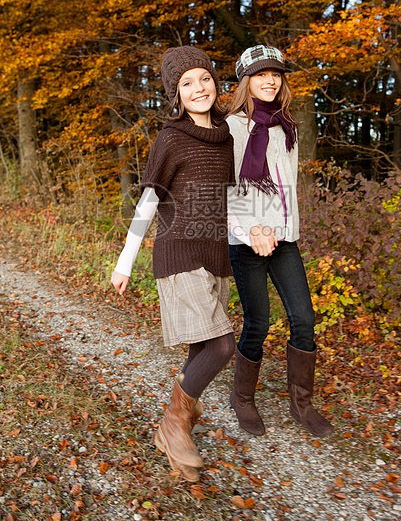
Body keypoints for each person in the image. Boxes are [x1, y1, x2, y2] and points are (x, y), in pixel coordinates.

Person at [111, 46, 236, 482]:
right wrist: (125, 262)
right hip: (179, 253)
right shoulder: (171, 137)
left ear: (215, 83)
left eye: (204, 78)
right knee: (222, 346)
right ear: (175, 94)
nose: (198, 88)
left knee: (201, 347)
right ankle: (174, 422)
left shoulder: (226, 137)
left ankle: (173, 434)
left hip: (216, 255)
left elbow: (227, 199)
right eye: (187, 83)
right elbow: (148, 203)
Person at [227, 44, 334, 438]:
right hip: (246, 242)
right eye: (260, 74)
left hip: (285, 240)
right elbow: (224, 190)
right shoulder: (233, 128)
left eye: (275, 74)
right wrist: (252, 229)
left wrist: (282, 229)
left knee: (304, 318)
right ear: (246, 81)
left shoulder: (288, 127)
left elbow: (285, 188)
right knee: (258, 323)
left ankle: (301, 403)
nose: (270, 80)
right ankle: (243, 399)